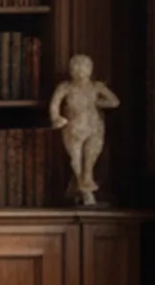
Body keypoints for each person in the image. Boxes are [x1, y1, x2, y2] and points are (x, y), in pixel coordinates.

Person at [47, 54, 119, 206]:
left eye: (84, 67)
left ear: (90, 69)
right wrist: (56, 118)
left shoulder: (96, 87)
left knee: (90, 160)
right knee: (76, 159)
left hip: (93, 127)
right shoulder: (66, 87)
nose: (80, 71)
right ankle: (86, 192)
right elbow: (54, 104)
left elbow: (114, 102)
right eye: (76, 67)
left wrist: (97, 103)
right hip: (73, 127)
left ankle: (82, 188)